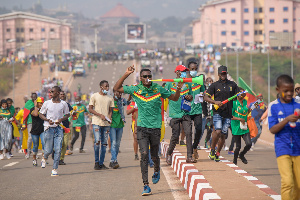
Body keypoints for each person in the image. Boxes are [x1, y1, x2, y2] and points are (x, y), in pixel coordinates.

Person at [114, 66, 182, 196]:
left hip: (156, 128)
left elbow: (174, 98)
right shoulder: (136, 89)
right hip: (142, 128)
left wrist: (178, 88)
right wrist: (126, 74)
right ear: (140, 78)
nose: (147, 78)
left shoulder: (158, 89)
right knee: (144, 154)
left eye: (149, 76)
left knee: (154, 155)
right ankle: (146, 185)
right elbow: (116, 88)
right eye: (144, 76)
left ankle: (156, 169)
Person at [268, 75, 300, 200]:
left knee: (298, 185)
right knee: (287, 182)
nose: (289, 93)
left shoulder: (298, 104)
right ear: (278, 90)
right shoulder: (273, 106)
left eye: (291, 91)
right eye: (285, 91)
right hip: (283, 148)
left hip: (298, 148)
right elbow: (272, 129)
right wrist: (286, 120)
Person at [204, 65, 239, 162]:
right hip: (217, 112)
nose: (223, 75)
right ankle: (212, 149)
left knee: (223, 135)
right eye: (222, 73)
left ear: (226, 73)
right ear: (218, 74)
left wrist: (242, 93)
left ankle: (217, 153)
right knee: (218, 131)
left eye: (225, 73)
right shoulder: (214, 85)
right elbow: (206, 97)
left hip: (228, 114)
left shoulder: (232, 85)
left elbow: (238, 94)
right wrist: (215, 102)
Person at [165, 65, 195, 164]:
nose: (184, 74)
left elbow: (191, 97)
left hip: (185, 112)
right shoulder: (170, 83)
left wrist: (189, 97)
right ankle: (169, 154)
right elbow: (166, 95)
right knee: (175, 135)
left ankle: (189, 156)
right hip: (174, 113)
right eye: (182, 72)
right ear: (177, 72)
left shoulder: (188, 84)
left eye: (185, 72)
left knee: (189, 133)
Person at [39, 86, 70, 176]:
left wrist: (61, 119)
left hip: (59, 128)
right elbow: (41, 114)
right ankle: (44, 158)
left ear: (57, 93)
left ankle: (54, 169)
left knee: (58, 149)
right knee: (48, 150)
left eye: (52, 91)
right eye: (50, 91)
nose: (50, 93)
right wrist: (47, 120)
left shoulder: (63, 104)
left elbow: (67, 114)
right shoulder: (47, 103)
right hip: (48, 128)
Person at [89, 80, 114, 170]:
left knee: (104, 143)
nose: (107, 88)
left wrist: (109, 118)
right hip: (96, 122)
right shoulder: (94, 96)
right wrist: (100, 115)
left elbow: (110, 110)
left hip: (106, 124)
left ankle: (101, 163)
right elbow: (90, 109)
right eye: (106, 86)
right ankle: (96, 162)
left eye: (108, 86)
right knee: (97, 141)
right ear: (101, 87)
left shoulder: (110, 97)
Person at [187, 60, 206, 160]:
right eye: (192, 69)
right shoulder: (185, 81)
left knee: (199, 129)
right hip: (187, 111)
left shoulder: (199, 80)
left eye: (195, 69)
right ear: (188, 70)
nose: (194, 71)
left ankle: (195, 147)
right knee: (188, 132)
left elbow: (203, 94)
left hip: (198, 110)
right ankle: (190, 154)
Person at [231, 87, 252, 165]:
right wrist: (239, 119)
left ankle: (242, 155)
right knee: (238, 147)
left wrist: (252, 108)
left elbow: (247, 111)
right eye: (240, 93)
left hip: (244, 126)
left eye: (243, 93)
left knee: (249, 144)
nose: (242, 94)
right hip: (236, 126)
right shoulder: (234, 103)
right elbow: (230, 116)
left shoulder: (246, 102)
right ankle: (235, 161)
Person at [109, 91, 125, 169]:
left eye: (121, 93)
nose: (120, 94)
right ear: (114, 93)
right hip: (112, 126)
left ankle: (113, 160)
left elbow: (129, 102)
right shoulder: (110, 102)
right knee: (114, 142)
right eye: (119, 93)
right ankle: (114, 160)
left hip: (120, 125)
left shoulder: (122, 101)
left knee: (118, 144)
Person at [30, 97, 45, 167]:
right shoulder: (32, 109)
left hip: (42, 130)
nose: (41, 104)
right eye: (40, 103)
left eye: (42, 103)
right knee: (35, 146)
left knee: (44, 143)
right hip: (35, 131)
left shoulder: (44, 109)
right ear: (37, 103)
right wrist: (35, 106)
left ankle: (43, 159)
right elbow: (36, 114)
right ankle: (34, 159)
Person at [59, 91, 73, 165]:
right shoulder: (54, 104)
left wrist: (74, 113)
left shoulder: (67, 104)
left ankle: (61, 159)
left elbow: (72, 111)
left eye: (63, 95)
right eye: (61, 95)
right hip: (57, 127)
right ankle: (55, 153)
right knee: (59, 144)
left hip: (66, 126)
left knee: (65, 143)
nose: (62, 96)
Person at [22, 93, 37, 159]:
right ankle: (28, 152)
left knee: (36, 138)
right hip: (30, 122)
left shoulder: (38, 102)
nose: (34, 98)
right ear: (31, 97)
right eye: (33, 97)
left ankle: (35, 153)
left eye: (35, 97)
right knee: (30, 138)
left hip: (37, 123)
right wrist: (23, 124)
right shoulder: (28, 103)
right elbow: (25, 114)